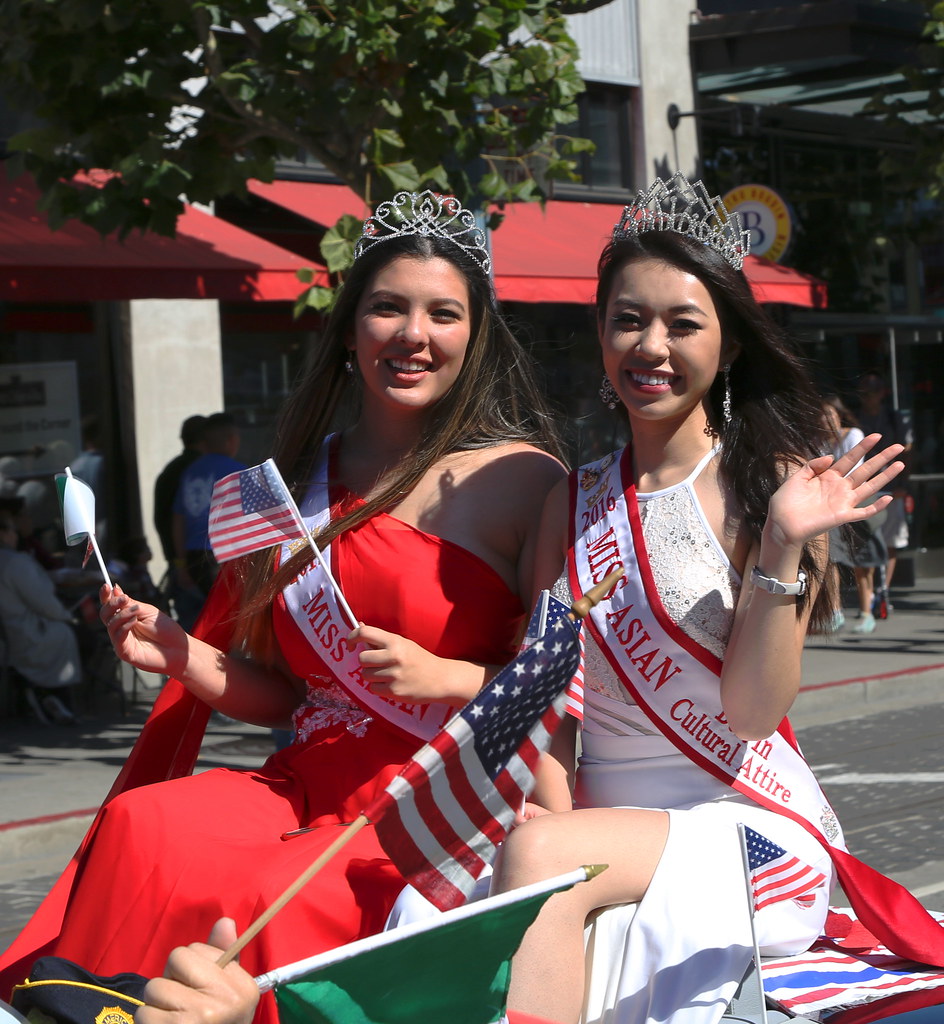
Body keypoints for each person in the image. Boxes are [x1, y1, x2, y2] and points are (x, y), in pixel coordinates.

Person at [0, 190, 567, 1021]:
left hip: (430, 800)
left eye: (444, 313)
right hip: (302, 784)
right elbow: (289, 694)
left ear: (476, 337)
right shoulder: (291, 485)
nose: (415, 334)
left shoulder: (524, 480)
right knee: (143, 825)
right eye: (388, 308)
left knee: (264, 892)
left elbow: (562, 685)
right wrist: (183, 654)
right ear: (348, 331)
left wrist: (447, 676)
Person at [486, 174, 908, 1024]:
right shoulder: (566, 501)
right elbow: (552, 702)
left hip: (743, 825)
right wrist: (559, 823)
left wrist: (786, 541)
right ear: (602, 334)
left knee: (535, 858)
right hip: (598, 825)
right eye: (628, 320)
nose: (652, 346)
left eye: (683, 324)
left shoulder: (774, 492)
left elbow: (752, 714)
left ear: (730, 344)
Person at [0, 509, 81, 724]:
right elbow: (43, 602)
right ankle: (50, 694)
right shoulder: (14, 562)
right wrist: (66, 616)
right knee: (71, 634)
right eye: (11, 530)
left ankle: (50, 695)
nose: (15, 535)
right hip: (25, 631)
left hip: (13, 631)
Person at [171, 412, 243, 630]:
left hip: (193, 556)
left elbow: (178, 519)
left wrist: (181, 563)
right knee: (226, 622)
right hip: (223, 555)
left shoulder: (190, 472)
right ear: (231, 439)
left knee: (196, 622)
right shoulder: (237, 471)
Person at [821, 396, 885, 635]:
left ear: (839, 415)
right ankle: (835, 611)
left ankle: (867, 612)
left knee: (862, 563)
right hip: (832, 509)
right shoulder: (818, 442)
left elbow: (854, 472)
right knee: (830, 559)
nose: (825, 422)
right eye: (820, 417)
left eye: (829, 415)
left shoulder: (853, 435)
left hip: (857, 505)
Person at [856, 371, 913, 604]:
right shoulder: (855, 418)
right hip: (865, 487)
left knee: (889, 541)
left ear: (882, 393)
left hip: (892, 486)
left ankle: (883, 591)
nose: (869, 397)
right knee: (867, 542)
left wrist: (904, 485)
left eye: (873, 392)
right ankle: (868, 593)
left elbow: (908, 452)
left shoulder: (893, 417)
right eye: (865, 393)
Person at [153, 414, 208, 563]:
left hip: (178, 558)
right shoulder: (202, 470)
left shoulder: (171, 470)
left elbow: (161, 518)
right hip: (199, 558)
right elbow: (177, 518)